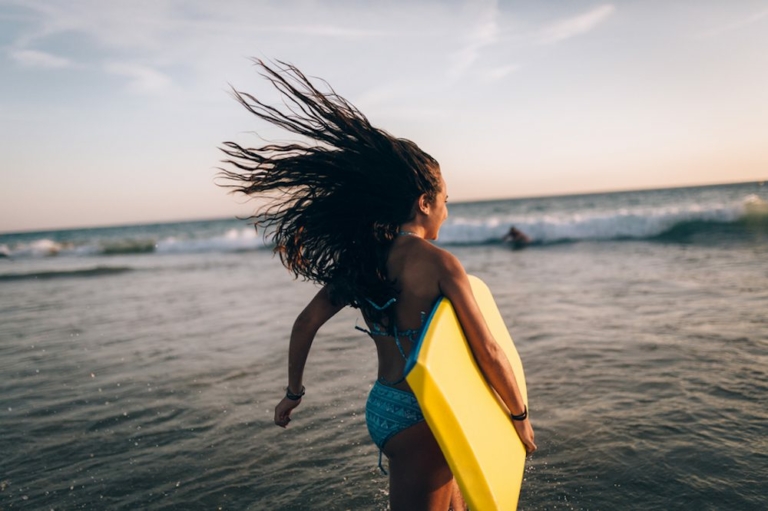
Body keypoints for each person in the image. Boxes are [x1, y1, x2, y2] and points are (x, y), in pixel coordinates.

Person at [220, 60, 536, 511]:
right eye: (445, 199)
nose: (447, 209)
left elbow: (305, 323)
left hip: (387, 405)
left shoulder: (363, 261)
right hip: (427, 414)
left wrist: (294, 392)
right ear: (424, 202)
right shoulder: (442, 264)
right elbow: (488, 350)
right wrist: (518, 416)